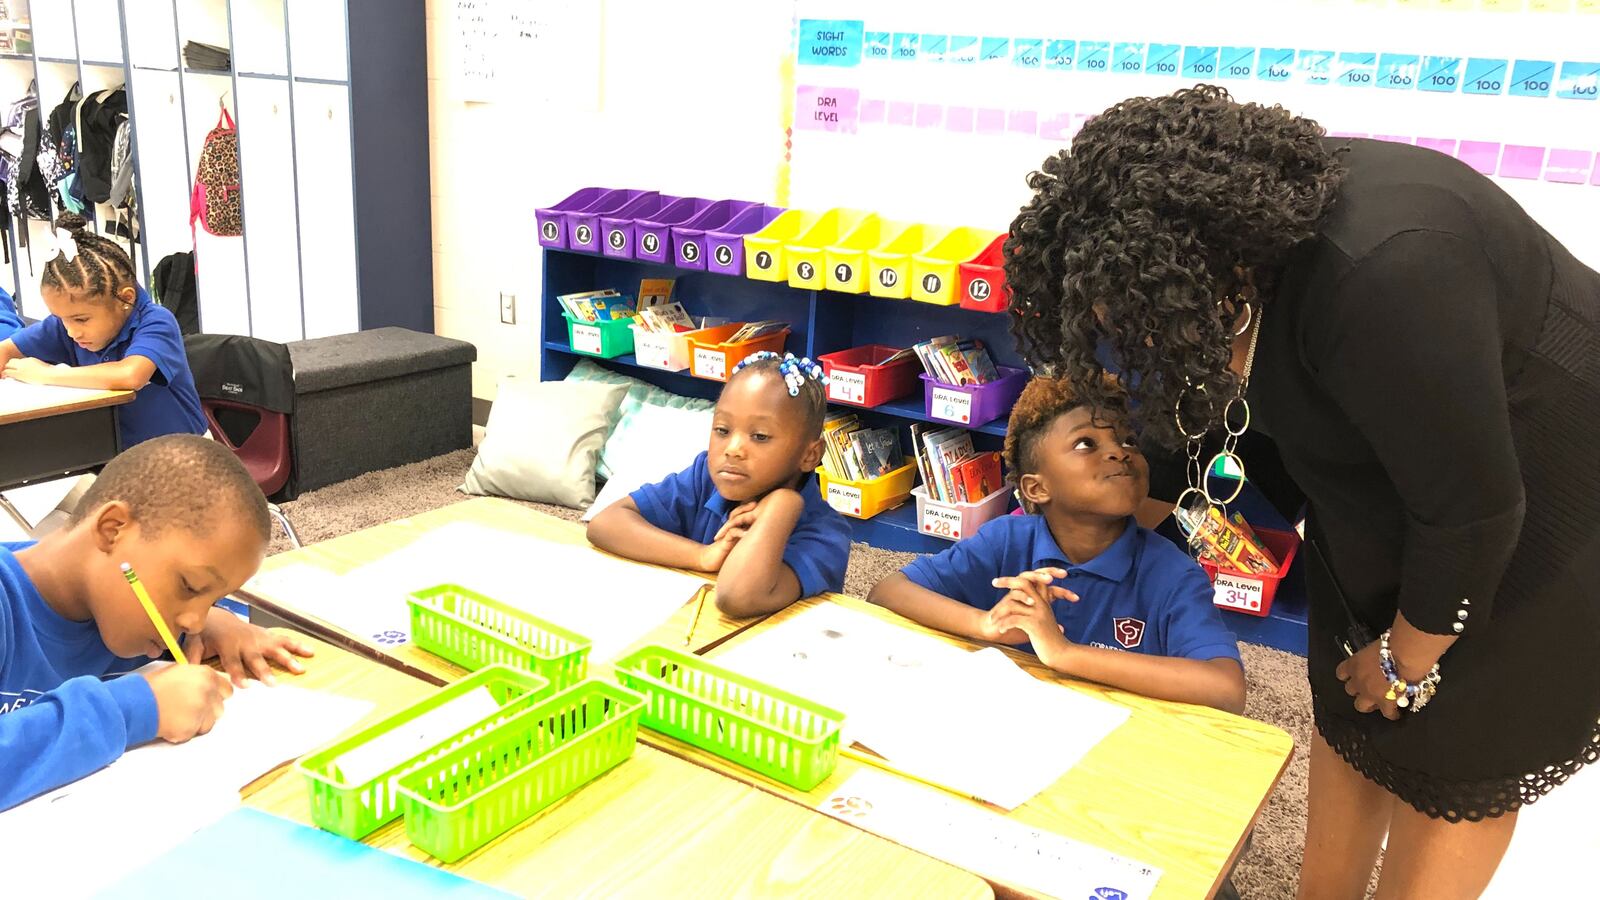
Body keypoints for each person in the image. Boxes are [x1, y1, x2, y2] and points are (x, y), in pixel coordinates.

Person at [1004, 84, 1599, 897]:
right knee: (1348, 694)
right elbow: (1235, 433)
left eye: (1132, 314)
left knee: (1456, 733)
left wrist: (1406, 658)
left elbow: (1474, 511)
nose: (1129, 338)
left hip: (1548, 472)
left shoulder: (1388, 270)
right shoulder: (1244, 264)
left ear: (1185, 265)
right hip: (1403, 453)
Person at [869, 376, 1245, 712]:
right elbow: (888, 591)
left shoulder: (1173, 573)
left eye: (1127, 440)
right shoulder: (1005, 541)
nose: (1119, 452)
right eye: (1086, 443)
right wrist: (986, 624)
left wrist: (1063, 653)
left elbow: (1226, 688)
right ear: (1037, 488)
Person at [1, 435, 314, 811]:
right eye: (190, 586)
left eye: (209, 599)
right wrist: (135, 708)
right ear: (112, 530)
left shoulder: (136, 616)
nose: (193, 619)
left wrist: (222, 620)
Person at [588, 352, 850, 616]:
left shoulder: (827, 535)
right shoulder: (705, 478)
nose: (733, 449)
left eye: (759, 436)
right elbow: (605, 523)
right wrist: (702, 556)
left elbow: (737, 597)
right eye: (723, 431)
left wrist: (783, 504)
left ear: (810, 455)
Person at [0, 214, 206, 448]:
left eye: (81, 319)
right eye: (62, 319)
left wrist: (46, 374)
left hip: (182, 455)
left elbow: (130, 376)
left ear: (126, 299)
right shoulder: (67, 325)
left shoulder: (157, 322)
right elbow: (6, 350)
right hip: (111, 454)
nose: (71, 332)